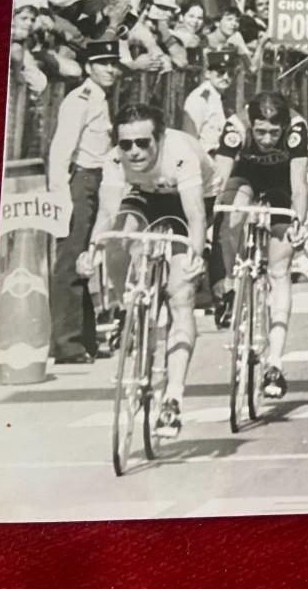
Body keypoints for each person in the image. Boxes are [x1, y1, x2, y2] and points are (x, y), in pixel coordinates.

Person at [79, 104, 217, 432]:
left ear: (159, 138)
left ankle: (172, 398)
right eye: (126, 144)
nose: (135, 152)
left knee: (179, 293)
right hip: (145, 194)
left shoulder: (180, 151)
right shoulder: (115, 159)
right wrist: (92, 250)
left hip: (190, 200)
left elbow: (196, 214)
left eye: (143, 143)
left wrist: (195, 256)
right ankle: (130, 308)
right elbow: (107, 214)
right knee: (116, 238)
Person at [212, 91, 308, 398]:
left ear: (283, 126)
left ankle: (275, 363)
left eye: (273, 132)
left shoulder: (296, 128)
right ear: (250, 123)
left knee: (279, 270)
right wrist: (211, 220)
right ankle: (230, 285)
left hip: (281, 182)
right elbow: (219, 179)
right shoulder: (235, 126)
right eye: (260, 131)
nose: (267, 139)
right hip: (247, 177)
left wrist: (300, 223)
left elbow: (300, 184)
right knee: (230, 214)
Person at [46, 39, 123, 363]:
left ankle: (85, 339)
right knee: (71, 260)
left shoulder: (101, 98)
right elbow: (61, 149)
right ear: (89, 66)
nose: (110, 69)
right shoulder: (80, 99)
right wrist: (60, 194)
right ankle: (67, 344)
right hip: (79, 182)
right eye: (103, 63)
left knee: (85, 260)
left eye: (113, 63)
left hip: (96, 180)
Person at [183, 51, 235, 156]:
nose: (226, 77)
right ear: (207, 73)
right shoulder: (199, 99)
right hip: (205, 158)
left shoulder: (219, 96)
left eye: (230, 73)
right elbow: (189, 138)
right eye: (221, 72)